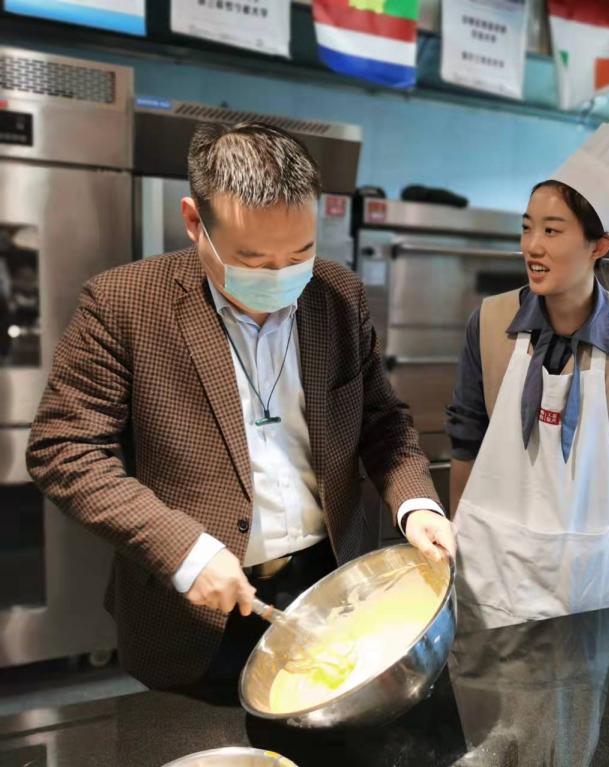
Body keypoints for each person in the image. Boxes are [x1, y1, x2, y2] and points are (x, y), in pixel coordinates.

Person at [27, 122, 455, 690]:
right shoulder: (123, 304)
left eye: (300, 253)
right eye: (252, 260)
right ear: (193, 222)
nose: (280, 277)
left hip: (333, 582)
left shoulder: (337, 295)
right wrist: (184, 551)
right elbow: (65, 449)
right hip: (194, 602)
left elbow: (382, 420)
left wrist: (417, 504)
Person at [446, 123, 609, 630]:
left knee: (576, 674)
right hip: (490, 560)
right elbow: (466, 438)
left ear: (599, 245)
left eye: (551, 231)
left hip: (582, 565)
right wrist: (454, 532)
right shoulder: (491, 321)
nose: (532, 246)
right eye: (527, 228)